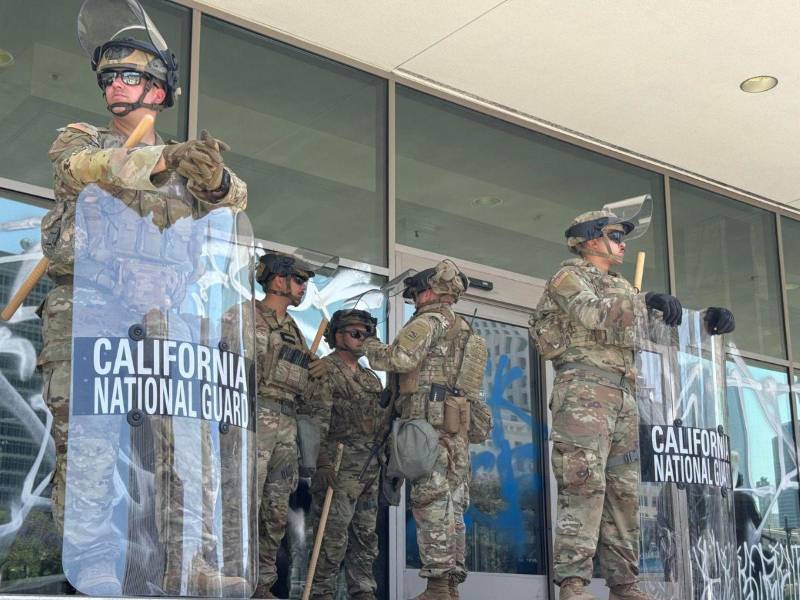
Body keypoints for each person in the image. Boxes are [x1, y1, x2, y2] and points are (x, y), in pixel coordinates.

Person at [39, 7, 247, 594]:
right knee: (91, 447)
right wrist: (167, 159)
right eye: (107, 79)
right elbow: (88, 169)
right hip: (93, 317)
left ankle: (189, 563)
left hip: (165, 322)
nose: (113, 88)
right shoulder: (83, 140)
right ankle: (94, 566)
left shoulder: (185, 162)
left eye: (127, 77)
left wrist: (214, 179)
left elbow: (235, 199)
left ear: (158, 88)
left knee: (184, 448)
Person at [529, 209, 735, 600]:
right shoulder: (568, 276)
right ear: (589, 239)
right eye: (614, 235)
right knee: (583, 486)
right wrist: (645, 302)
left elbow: (660, 333)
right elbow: (592, 312)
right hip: (584, 391)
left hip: (624, 397)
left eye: (623, 237)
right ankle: (573, 585)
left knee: (623, 494)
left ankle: (624, 585)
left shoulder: (623, 287)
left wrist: (707, 322)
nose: (623, 244)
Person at [361, 260, 491, 600]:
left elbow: (401, 359)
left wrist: (371, 346)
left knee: (431, 501)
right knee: (453, 507)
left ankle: (436, 586)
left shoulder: (429, 320)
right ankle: (449, 585)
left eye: (416, 293)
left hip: (428, 429)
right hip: (454, 429)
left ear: (430, 291)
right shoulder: (464, 329)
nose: (414, 299)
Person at [303, 309, 386, 600]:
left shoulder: (371, 379)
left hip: (368, 468)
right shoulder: (326, 371)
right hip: (338, 465)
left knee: (365, 536)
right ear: (337, 336)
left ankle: (362, 592)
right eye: (355, 333)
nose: (362, 339)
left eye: (367, 334)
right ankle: (321, 593)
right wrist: (322, 462)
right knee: (331, 537)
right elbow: (316, 418)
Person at [251, 251, 317, 598]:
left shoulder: (293, 330)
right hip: (253, 422)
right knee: (246, 504)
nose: (303, 288)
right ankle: (239, 580)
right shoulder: (246, 316)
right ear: (278, 280)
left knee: (276, 509)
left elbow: (305, 382)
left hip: (285, 426)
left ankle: (262, 583)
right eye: (299, 280)